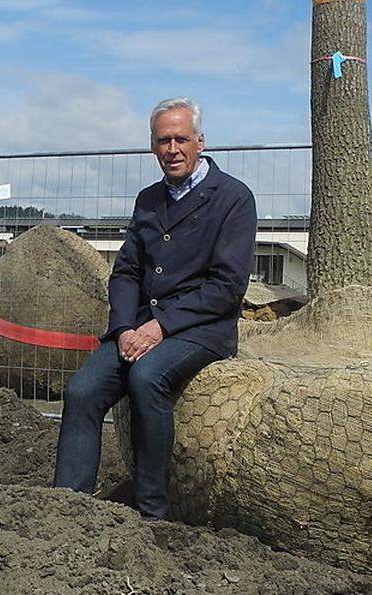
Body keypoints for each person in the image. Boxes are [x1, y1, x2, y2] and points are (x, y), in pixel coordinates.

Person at [53, 97, 257, 520]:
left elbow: (227, 286)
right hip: (141, 326)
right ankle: (67, 507)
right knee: (82, 391)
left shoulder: (234, 198)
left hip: (201, 328)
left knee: (147, 378)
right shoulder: (148, 199)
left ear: (200, 141)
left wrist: (160, 327)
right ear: (152, 146)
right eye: (163, 140)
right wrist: (125, 326)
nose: (172, 149)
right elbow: (126, 272)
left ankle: (152, 512)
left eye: (181, 138)